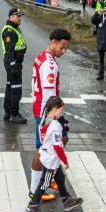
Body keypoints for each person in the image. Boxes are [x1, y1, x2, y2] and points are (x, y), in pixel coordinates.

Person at [30, 29, 72, 201]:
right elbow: (49, 97)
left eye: (66, 48)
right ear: (53, 41)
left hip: (46, 109)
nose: (64, 51)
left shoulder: (42, 56)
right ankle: (34, 189)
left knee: (63, 138)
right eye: (62, 47)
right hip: (46, 112)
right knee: (41, 149)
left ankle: (51, 175)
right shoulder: (50, 65)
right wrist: (54, 119)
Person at [26, 97, 83, 211]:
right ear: (56, 108)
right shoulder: (55, 126)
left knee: (60, 178)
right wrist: (65, 160)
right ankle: (33, 204)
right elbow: (57, 147)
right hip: (51, 160)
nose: (62, 112)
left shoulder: (44, 119)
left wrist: (64, 126)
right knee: (44, 183)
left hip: (47, 155)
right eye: (61, 109)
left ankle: (67, 200)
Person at [1, 8, 28, 123]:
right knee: (16, 88)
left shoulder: (14, 28)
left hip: (14, 61)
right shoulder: (9, 31)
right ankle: (14, 114)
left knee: (10, 86)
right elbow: (9, 50)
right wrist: (14, 66)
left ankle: (8, 112)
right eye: (18, 16)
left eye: (20, 16)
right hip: (13, 62)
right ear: (11, 17)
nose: (20, 18)